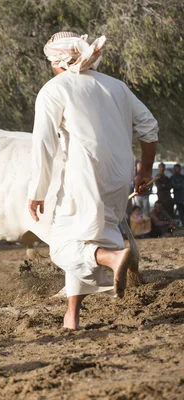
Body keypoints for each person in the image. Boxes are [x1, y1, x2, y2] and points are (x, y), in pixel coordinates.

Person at [28, 32, 158, 330]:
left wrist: (37, 190)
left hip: (82, 175)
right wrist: (145, 171)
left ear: (57, 60)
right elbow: (149, 128)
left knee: (63, 246)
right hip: (119, 175)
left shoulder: (54, 89)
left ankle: (110, 259)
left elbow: (44, 146)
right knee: (91, 235)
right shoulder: (117, 86)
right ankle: (72, 316)